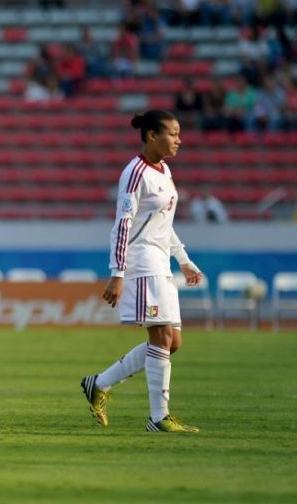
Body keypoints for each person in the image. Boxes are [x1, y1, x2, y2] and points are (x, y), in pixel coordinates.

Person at [80, 110, 204, 434]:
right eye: (173, 134)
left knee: (172, 341)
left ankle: (100, 383)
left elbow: (164, 225)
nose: (179, 140)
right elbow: (122, 225)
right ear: (152, 136)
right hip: (141, 261)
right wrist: (117, 272)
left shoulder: (164, 171)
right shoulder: (135, 173)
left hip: (161, 261)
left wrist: (184, 259)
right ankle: (159, 417)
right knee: (161, 337)